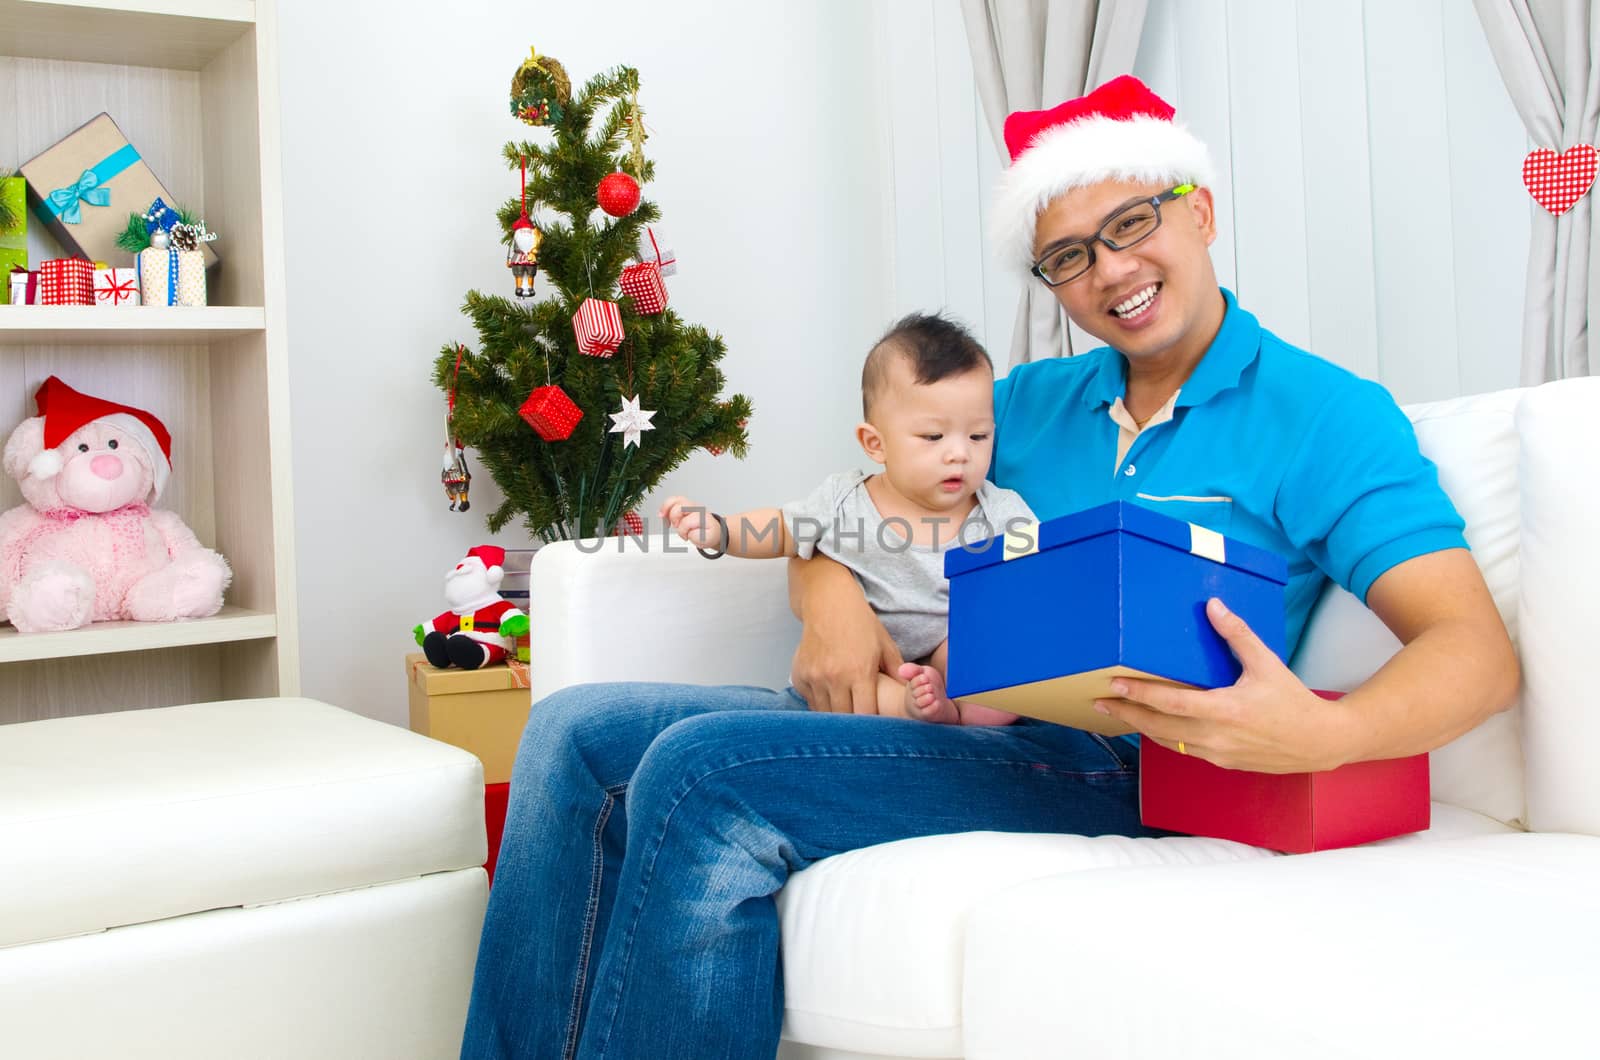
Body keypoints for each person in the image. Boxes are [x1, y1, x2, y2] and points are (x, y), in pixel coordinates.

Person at [460, 75, 1519, 1060]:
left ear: (1198, 210)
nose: (1108, 271)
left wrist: (1322, 735)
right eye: (1067, 255)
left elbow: (1474, 653)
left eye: (1132, 223)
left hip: (1131, 753)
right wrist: (828, 601)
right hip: (949, 713)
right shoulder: (1022, 405)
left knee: (708, 773)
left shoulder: (1326, 415)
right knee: (573, 729)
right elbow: (863, 502)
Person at [658, 312, 1034, 725]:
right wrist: (722, 530)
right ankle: (916, 710)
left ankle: (959, 715)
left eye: (978, 436)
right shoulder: (844, 501)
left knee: (998, 664)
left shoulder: (999, 510)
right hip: (870, 659)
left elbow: (1041, 565)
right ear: (876, 443)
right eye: (933, 437)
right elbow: (782, 527)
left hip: (949, 643)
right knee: (868, 686)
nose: (960, 453)